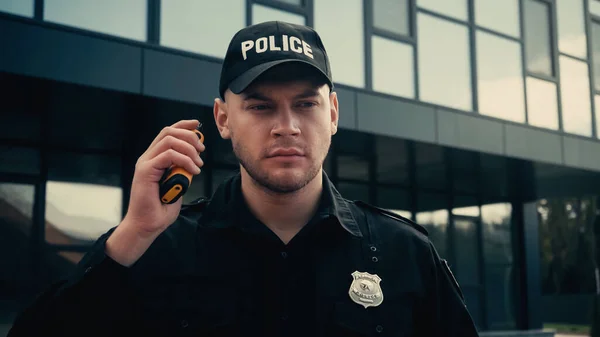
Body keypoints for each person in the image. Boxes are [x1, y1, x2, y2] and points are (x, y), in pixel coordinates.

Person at [8, 21, 479, 337]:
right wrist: (133, 234)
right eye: (259, 105)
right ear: (223, 118)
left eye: (306, 103)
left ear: (333, 113)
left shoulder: (405, 254)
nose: (287, 125)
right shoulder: (156, 249)